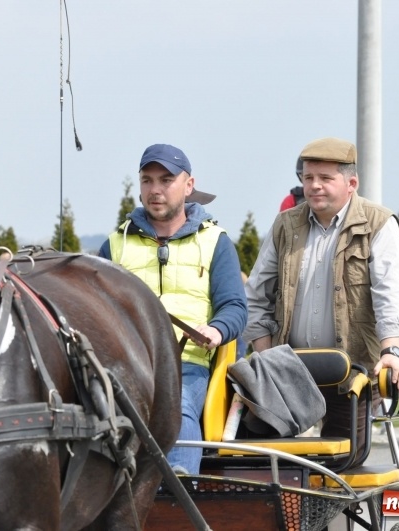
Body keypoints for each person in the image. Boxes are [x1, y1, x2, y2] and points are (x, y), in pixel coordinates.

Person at [244, 137, 399, 466]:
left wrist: (391, 351)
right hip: (287, 377)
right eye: (308, 177)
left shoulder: (379, 224)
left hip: (352, 376)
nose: (314, 186)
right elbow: (256, 294)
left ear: (352, 183)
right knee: (271, 469)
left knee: (342, 470)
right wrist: (265, 358)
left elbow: (391, 293)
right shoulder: (285, 224)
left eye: (325, 178)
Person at [98, 143, 247, 475]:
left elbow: (235, 307)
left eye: (166, 180)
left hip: (188, 363)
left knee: (174, 402)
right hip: (124, 365)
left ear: (188, 185)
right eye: (147, 180)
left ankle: (178, 486)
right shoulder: (115, 244)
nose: (155, 190)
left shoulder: (216, 242)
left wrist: (216, 330)